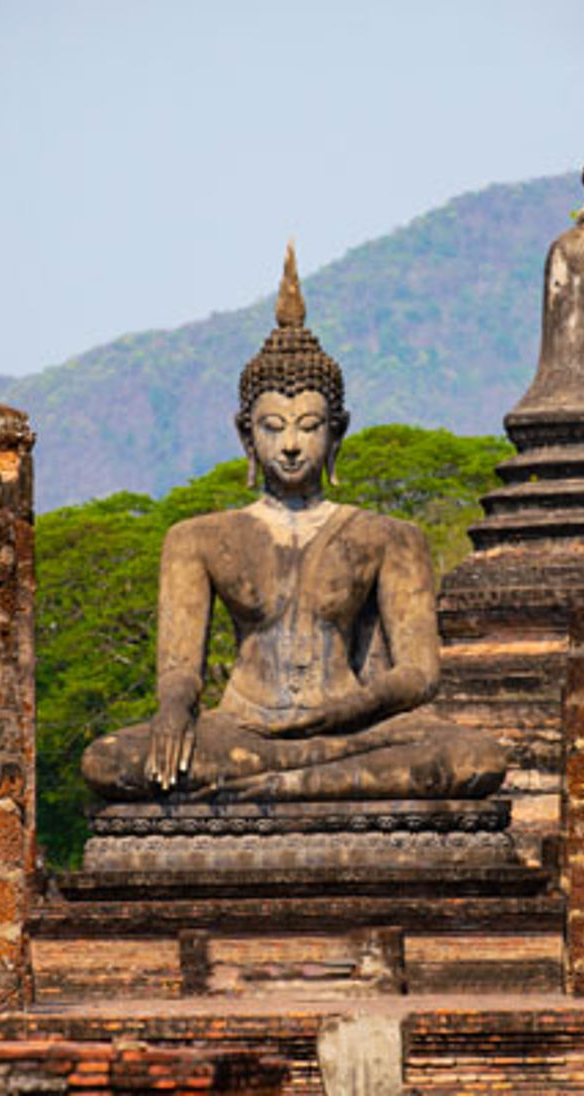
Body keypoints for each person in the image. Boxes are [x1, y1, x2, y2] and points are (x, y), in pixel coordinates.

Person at [80, 246, 507, 802]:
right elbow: (180, 669)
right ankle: (297, 785)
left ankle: (264, 789)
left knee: (475, 759)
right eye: (272, 426)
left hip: (354, 728)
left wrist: (344, 711)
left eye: (308, 426)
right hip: (241, 728)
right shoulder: (197, 540)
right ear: (245, 434)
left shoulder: (389, 538)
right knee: (109, 761)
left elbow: (420, 674)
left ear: (338, 431)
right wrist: (174, 710)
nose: (288, 445)